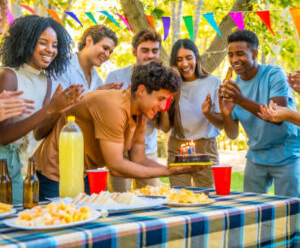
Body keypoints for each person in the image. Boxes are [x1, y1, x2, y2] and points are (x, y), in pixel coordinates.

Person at [34, 62, 206, 200]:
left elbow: (139, 159)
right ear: (141, 91)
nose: (163, 107)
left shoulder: (141, 113)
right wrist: (168, 172)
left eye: (166, 100)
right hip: (56, 173)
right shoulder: (113, 106)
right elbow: (116, 166)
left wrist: (176, 167)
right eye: (160, 99)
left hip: (82, 174)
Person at [0, 15, 83, 204]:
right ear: (27, 42)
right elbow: (3, 136)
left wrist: (58, 111)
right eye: (43, 43)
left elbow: (38, 133)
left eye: (54, 45)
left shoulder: (46, 82)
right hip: (4, 163)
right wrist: (49, 109)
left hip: (26, 164)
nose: (50, 50)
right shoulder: (8, 76)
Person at [219, 29, 300, 197]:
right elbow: (232, 134)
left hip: (286, 154)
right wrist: (226, 113)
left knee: (289, 213)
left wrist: (241, 100)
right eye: (231, 55)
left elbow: (277, 116)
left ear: (255, 53)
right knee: (253, 213)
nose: (234, 60)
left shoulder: (274, 74)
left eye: (240, 54)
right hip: (256, 156)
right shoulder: (234, 85)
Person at [157, 39, 222, 188]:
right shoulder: (171, 85)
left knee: (207, 197)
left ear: (197, 58)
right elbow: (166, 128)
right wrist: (166, 106)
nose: (184, 64)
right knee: (180, 195)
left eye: (188, 58)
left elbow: (221, 124)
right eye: (179, 60)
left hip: (205, 147)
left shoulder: (213, 82)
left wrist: (207, 113)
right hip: (178, 147)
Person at [105, 29, 161, 191]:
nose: (150, 55)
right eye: (145, 50)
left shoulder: (162, 79)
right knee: (119, 200)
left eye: (155, 51)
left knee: (151, 200)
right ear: (134, 51)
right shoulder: (115, 77)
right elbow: (108, 117)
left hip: (147, 150)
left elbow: (164, 123)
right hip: (119, 151)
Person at [52, 25, 122, 95]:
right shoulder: (62, 67)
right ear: (89, 41)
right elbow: (54, 104)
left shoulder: (98, 81)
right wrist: (94, 96)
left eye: (110, 52)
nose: (107, 55)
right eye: (105, 48)